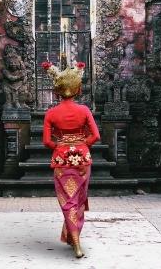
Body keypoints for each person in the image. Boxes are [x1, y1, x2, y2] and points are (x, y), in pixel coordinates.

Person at [41, 60, 99, 258]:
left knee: (68, 200)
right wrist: (81, 144)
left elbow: (47, 141)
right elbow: (96, 136)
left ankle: (74, 240)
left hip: (61, 159)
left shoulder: (51, 113)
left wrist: (61, 145)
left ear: (56, 91)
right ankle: (75, 240)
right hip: (82, 158)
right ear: (78, 89)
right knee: (79, 198)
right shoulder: (84, 111)